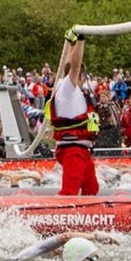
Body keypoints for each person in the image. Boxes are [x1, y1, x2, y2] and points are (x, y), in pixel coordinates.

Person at [48, 35, 100, 196]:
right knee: (70, 190)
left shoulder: (66, 86)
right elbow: (74, 66)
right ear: (82, 77)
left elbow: (68, 65)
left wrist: (71, 44)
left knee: (92, 188)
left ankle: (89, 216)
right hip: (72, 150)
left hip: (83, 150)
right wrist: (81, 40)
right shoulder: (67, 88)